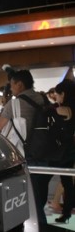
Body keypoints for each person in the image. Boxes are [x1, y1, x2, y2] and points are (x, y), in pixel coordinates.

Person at [0, 70, 50, 225]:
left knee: (32, 198)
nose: (11, 89)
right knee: (41, 193)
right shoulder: (43, 98)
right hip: (45, 152)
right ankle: (42, 225)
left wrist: (6, 103)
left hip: (28, 153)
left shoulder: (14, 104)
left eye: (12, 85)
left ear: (19, 84)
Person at [49, 79, 75, 223]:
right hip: (70, 149)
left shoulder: (63, 109)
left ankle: (63, 212)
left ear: (63, 94)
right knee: (67, 183)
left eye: (57, 94)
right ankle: (66, 214)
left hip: (61, 151)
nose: (56, 98)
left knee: (47, 178)